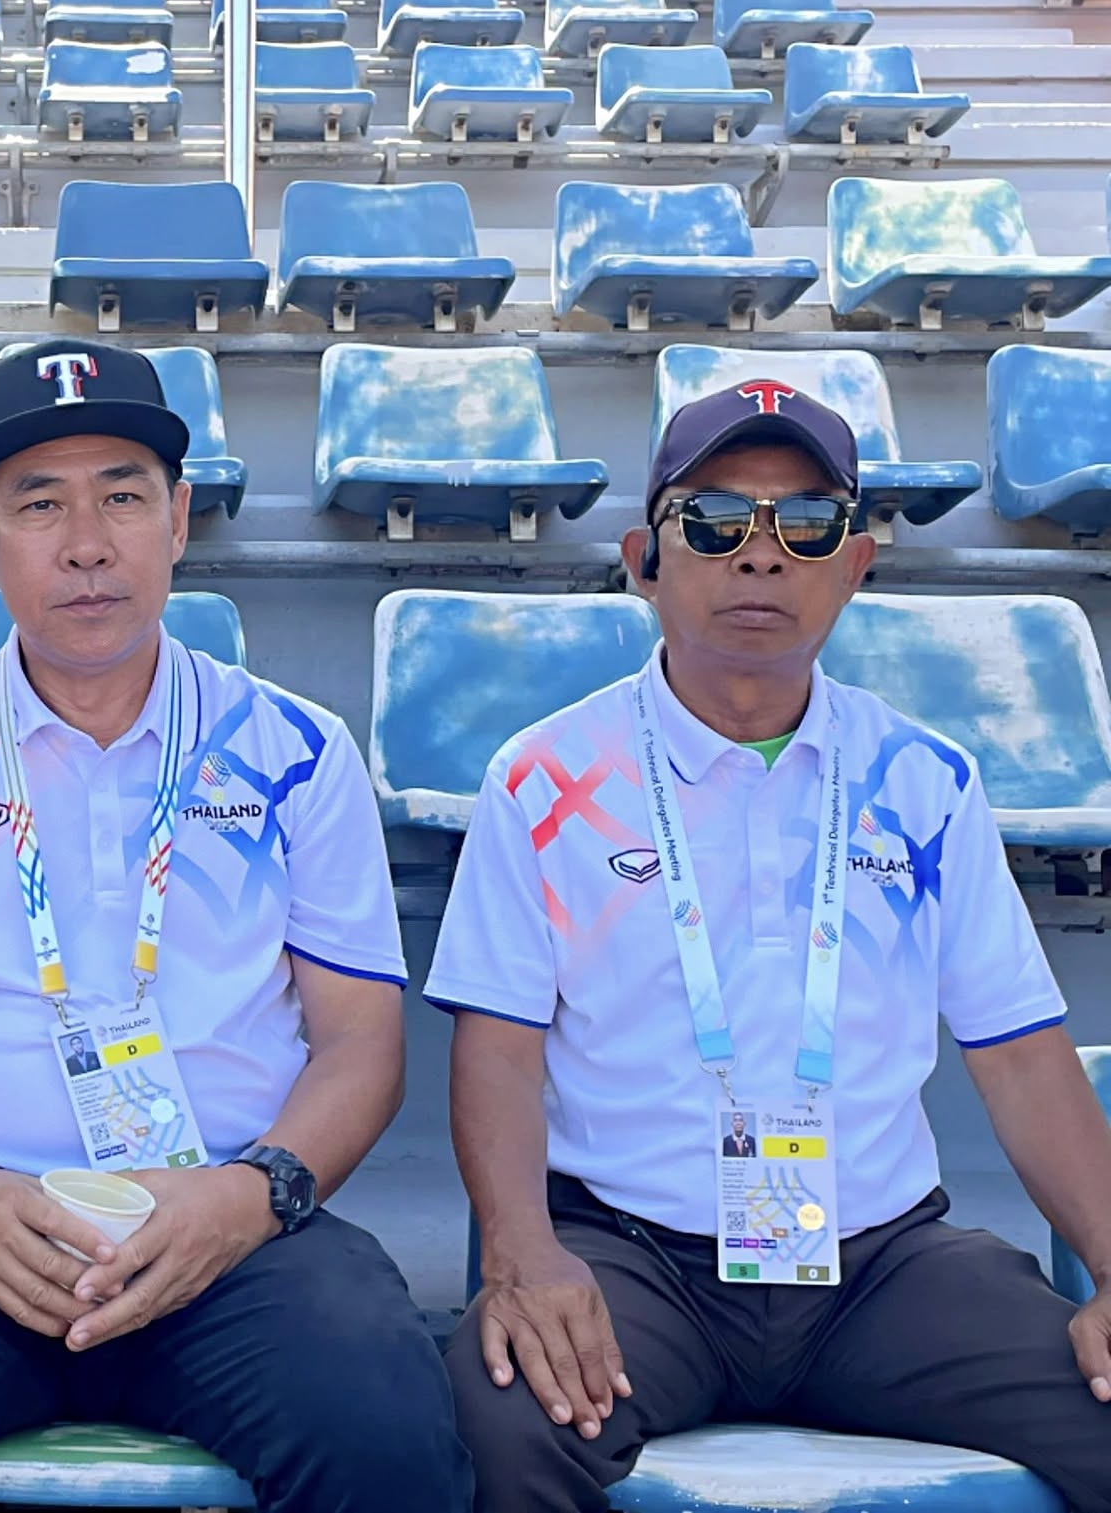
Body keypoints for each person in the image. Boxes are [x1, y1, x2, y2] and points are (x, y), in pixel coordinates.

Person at [0, 340, 471, 1512]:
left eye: (122, 497)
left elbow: (357, 1039)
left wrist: (250, 1198)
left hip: (227, 1222)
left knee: (385, 1433)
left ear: (176, 520)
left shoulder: (294, 751)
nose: (85, 544)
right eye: (39, 504)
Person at [430, 380, 1111, 1513]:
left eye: (805, 523)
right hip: (634, 1257)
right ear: (643, 560)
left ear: (856, 565)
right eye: (712, 521)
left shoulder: (924, 781)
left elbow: (1018, 1052)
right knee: (495, 1422)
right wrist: (522, 1254)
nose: (760, 554)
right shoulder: (543, 778)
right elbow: (497, 1050)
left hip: (881, 1267)